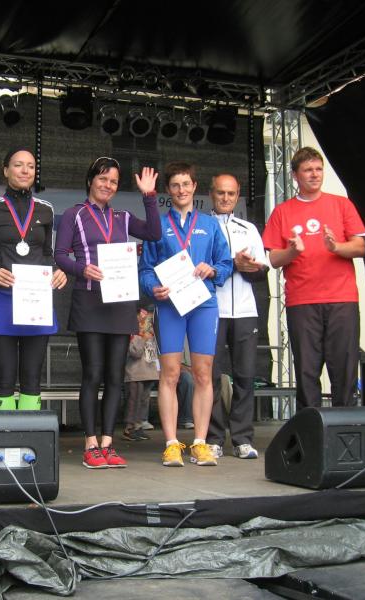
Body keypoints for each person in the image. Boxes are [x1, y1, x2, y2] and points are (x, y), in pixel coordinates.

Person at [55, 158, 161, 469]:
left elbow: (154, 232)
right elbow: (60, 255)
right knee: (93, 374)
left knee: (116, 377)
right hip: (89, 302)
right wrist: (81, 268)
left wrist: (149, 196)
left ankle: (108, 443)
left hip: (120, 303)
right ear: (91, 180)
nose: (108, 185)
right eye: (103, 179)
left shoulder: (123, 217)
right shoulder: (74, 215)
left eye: (113, 181)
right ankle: (90, 444)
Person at [139, 161, 232, 467]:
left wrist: (212, 269)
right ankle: (171, 444)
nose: (181, 190)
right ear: (168, 190)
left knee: (204, 373)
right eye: (175, 185)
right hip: (170, 306)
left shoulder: (210, 224)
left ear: (195, 187)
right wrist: (153, 288)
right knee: (170, 374)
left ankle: (200, 443)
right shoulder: (157, 226)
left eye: (186, 184)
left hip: (203, 305)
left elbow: (226, 263)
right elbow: (145, 269)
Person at [262, 147, 365, 410]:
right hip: (302, 300)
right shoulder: (282, 211)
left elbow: (360, 247)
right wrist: (293, 252)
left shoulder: (341, 204)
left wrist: (336, 247)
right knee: (307, 370)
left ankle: (345, 426)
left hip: (342, 298)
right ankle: (309, 427)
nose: (314, 174)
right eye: (308, 170)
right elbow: (273, 259)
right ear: (295, 175)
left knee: (344, 367)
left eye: (318, 169)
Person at [0, 148, 67, 411]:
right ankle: (3, 434)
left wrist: (57, 271)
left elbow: (48, 255)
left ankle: (30, 434)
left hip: (35, 303)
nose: (25, 170)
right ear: (6, 170)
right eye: (18, 165)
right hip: (2, 300)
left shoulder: (46, 209)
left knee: (32, 378)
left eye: (30, 166)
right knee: (4, 377)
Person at [208, 173, 269, 459]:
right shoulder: (203, 227)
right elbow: (199, 268)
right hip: (211, 310)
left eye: (231, 193)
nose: (225, 198)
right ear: (211, 194)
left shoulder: (249, 229)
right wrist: (233, 264)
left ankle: (243, 438)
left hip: (244, 311)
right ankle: (214, 438)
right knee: (210, 377)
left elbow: (262, 271)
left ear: (237, 195)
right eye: (221, 192)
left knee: (245, 376)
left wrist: (249, 267)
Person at [123, 307, 159, 441]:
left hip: (149, 373)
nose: (145, 323)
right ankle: (129, 428)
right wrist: (143, 338)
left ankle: (139, 426)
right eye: (142, 319)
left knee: (143, 401)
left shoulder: (152, 335)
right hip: (135, 373)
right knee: (134, 401)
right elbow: (135, 352)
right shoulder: (132, 334)